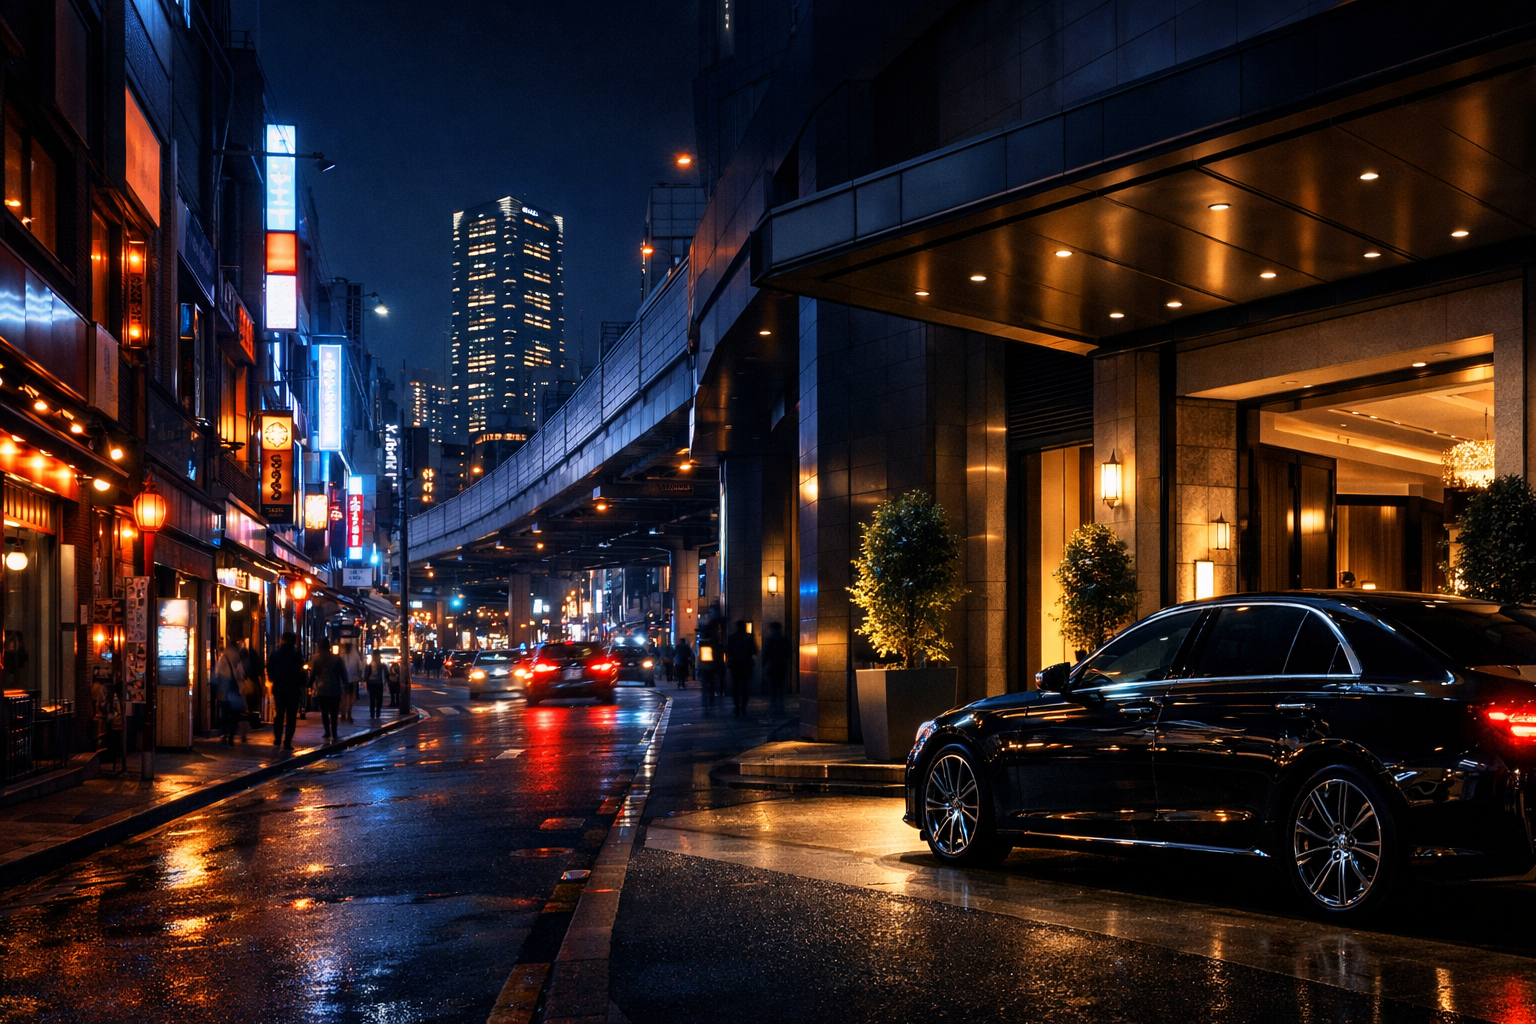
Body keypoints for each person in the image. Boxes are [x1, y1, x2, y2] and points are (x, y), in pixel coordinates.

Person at [268, 632, 307, 751]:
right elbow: (302, 673)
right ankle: (287, 742)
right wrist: (301, 685)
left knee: (279, 715)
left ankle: (277, 738)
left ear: (282, 640)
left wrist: (274, 679)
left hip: (279, 688)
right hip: (293, 690)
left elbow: (269, 670)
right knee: (291, 717)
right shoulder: (297, 655)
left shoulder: (275, 654)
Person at [212, 639, 249, 744]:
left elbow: (216, 673)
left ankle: (224, 734)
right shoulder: (237, 660)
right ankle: (231, 737)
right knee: (235, 715)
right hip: (234, 690)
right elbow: (241, 675)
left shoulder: (222, 659)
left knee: (224, 713)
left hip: (223, 690)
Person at [309, 644, 346, 740]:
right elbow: (343, 673)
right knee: (334, 711)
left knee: (324, 711)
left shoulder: (317, 659)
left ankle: (327, 732)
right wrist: (345, 685)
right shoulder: (337, 659)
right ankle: (334, 732)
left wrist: (308, 685)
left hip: (322, 688)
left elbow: (313, 674)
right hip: (335, 688)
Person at [726, 620, 758, 717]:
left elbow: (728, 651)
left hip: (736, 665)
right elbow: (754, 650)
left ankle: (737, 707)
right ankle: (743, 707)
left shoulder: (732, 638)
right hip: (746, 665)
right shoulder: (749, 637)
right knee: (745, 687)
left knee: (735, 687)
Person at [762, 621, 791, 712]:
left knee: (773, 687)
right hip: (781, 667)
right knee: (780, 687)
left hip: (773, 667)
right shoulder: (784, 640)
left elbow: (766, 654)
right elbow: (788, 653)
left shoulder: (770, 640)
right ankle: (780, 704)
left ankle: (774, 704)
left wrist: (764, 664)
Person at [340, 641, 363, 724]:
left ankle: (345, 714)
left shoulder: (342, 655)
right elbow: (360, 666)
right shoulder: (354, 655)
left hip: (345, 680)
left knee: (344, 697)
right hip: (351, 680)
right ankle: (347, 714)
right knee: (349, 697)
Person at [365, 649, 386, 719]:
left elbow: (367, 674)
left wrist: (366, 680)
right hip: (378, 683)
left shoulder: (370, 663)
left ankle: (372, 713)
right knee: (378, 699)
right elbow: (386, 673)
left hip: (372, 683)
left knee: (372, 699)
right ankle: (377, 713)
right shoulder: (381, 664)